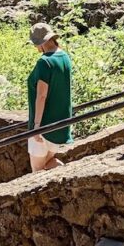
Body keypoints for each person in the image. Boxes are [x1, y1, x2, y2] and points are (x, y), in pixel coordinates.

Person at [26, 23, 73, 172]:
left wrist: (36, 127)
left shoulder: (44, 62)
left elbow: (41, 95)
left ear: (41, 43)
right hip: (60, 124)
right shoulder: (64, 57)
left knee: (37, 171)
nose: (35, 48)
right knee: (50, 162)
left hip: (44, 126)